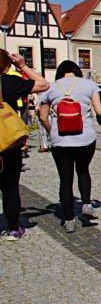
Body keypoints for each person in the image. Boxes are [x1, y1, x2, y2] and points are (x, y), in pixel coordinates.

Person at [38, 60, 101, 232]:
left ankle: (69, 220)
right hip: (85, 139)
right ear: (77, 71)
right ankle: (86, 205)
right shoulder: (89, 85)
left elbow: (43, 117)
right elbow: (99, 111)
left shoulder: (50, 88)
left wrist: (52, 130)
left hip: (60, 141)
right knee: (83, 171)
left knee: (65, 179)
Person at [0, 49, 49, 241]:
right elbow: (43, 84)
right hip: (8, 144)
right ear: (5, 65)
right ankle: (14, 228)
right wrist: (22, 65)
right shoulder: (8, 82)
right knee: (10, 186)